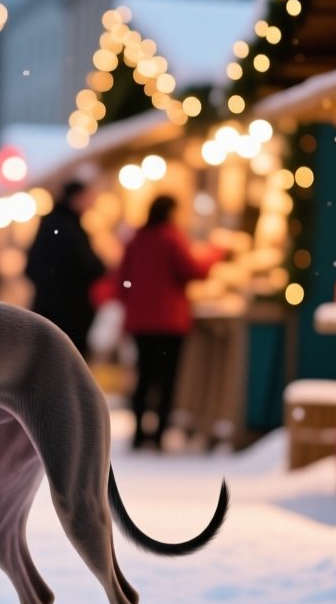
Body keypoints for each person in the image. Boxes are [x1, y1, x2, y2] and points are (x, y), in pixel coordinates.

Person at [117, 194, 221, 452]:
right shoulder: (172, 238)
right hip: (168, 323)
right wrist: (217, 251)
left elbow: (122, 280)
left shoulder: (137, 240)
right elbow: (193, 270)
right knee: (166, 380)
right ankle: (159, 435)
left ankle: (139, 435)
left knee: (143, 378)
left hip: (141, 322)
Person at [24, 181, 105, 355]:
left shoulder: (49, 224)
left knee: (49, 358)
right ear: (76, 198)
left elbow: (30, 267)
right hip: (71, 311)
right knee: (69, 360)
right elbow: (88, 265)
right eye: (87, 198)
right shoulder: (70, 227)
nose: (90, 204)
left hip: (46, 308)